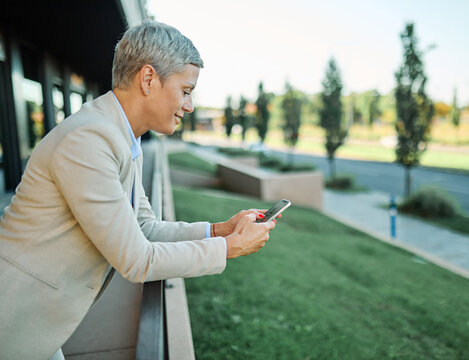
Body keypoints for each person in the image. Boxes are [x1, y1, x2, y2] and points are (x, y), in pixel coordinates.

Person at [0, 21, 277, 360]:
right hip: (12, 317)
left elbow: (144, 227)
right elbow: (136, 260)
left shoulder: (123, 137)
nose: (189, 106)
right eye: (186, 90)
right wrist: (228, 248)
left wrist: (218, 230)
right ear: (148, 79)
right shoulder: (89, 140)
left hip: (38, 324)